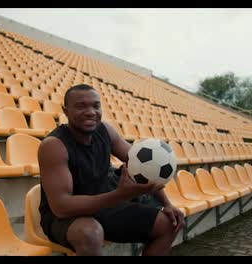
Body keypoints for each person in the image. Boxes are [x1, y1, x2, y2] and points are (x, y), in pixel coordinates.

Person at [38, 84, 184, 256]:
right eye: (81, 106)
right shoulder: (54, 146)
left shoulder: (105, 130)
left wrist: (167, 204)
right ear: (66, 110)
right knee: (90, 233)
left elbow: (144, 166)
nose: (91, 111)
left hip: (106, 204)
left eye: (96, 105)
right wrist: (119, 196)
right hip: (66, 217)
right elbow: (61, 207)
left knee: (170, 223)